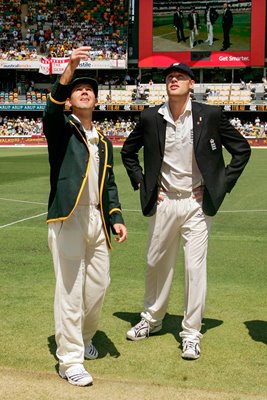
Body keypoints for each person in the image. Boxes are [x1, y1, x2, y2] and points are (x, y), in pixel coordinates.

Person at [121, 62, 251, 360]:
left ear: (191, 84)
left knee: (195, 269)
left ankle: (191, 333)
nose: (174, 80)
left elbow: (242, 150)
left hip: (195, 205)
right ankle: (151, 320)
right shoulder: (151, 116)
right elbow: (128, 152)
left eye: (180, 77)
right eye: (169, 77)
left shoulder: (211, 115)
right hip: (164, 202)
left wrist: (218, 185)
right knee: (156, 264)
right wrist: (145, 184)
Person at [43, 46, 127, 386]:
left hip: (96, 221)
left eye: (90, 89)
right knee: (70, 289)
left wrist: (115, 216)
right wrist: (69, 69)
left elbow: (109, 185)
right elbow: (51, 109)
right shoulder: (61, 130)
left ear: (96, 101)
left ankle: (86, 338)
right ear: (70, 99)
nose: (85, 90)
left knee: (97, 288)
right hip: (68, 218)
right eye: (79, 87)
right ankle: (70, 360)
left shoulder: (104, 142)